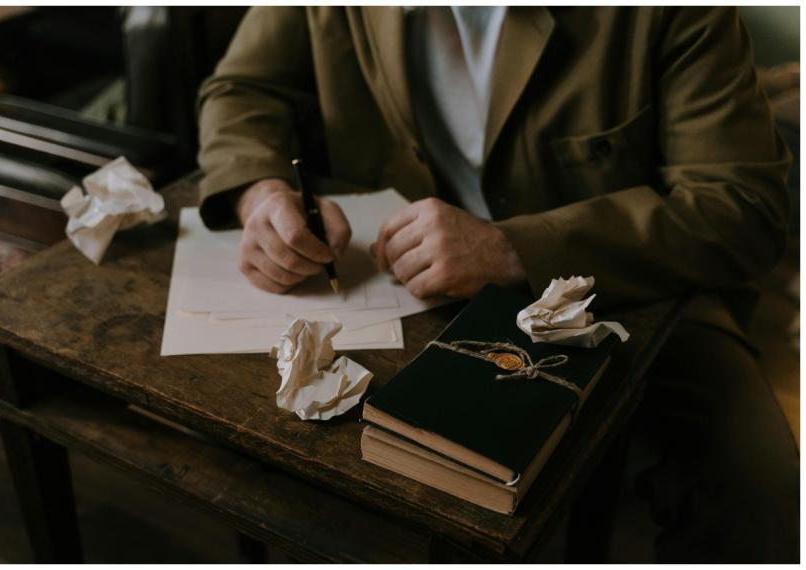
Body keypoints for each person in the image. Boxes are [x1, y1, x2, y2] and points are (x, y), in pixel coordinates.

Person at [196, 7, 798, 562]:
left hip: (625, 292)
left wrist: (516, 248)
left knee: (764, 492)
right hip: (390, 285)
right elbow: (242, 89)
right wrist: (262, 192)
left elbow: (743, 206)